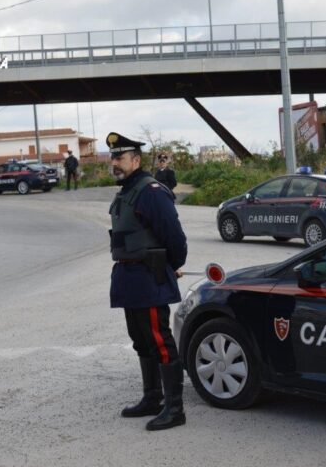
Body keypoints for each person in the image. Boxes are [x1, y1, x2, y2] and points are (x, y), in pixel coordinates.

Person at [106, 132, 188, 431]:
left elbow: (175, 239)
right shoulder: (126, 191)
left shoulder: (151, 191)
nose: (114, 162)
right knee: (141, 340)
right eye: (112, 157)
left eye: (120, 157)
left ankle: (175, 408)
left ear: (136, 160)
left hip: (148, 277)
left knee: (160, 341)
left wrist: (168, 266)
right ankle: (152, 398)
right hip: (129, 278)